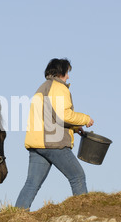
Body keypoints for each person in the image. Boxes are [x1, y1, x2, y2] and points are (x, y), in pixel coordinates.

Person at [15, 58, 94, 210]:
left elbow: (49, 116)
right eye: (67, 73)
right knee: (77, 176)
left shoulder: (42, 88)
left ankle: (17, 214)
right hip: (53, 142)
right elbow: (63, 115)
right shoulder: (59, 88)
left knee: (31, 184)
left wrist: (74, 128)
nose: (68, 77)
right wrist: (85, 119)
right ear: (60, 72)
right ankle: (84, 213)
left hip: (37, 143)